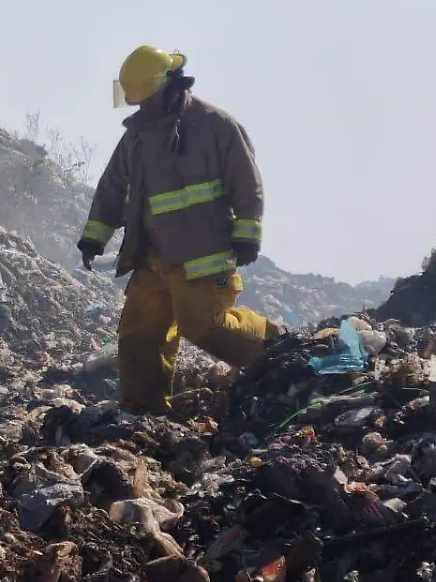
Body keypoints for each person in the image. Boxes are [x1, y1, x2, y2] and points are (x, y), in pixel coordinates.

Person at [77, 45, 285, 415]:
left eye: (148, 101)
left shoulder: (215, 126)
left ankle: (273, 346)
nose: (143, 109)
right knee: (139, 332)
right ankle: (143, 410)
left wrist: (248, 233)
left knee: (203, 324)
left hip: (205, 257)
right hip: (152, 256)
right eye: (138, 103)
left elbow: (246, 181)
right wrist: (94, 237)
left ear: (171, 86)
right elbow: (112, 188)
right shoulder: (137, 137)